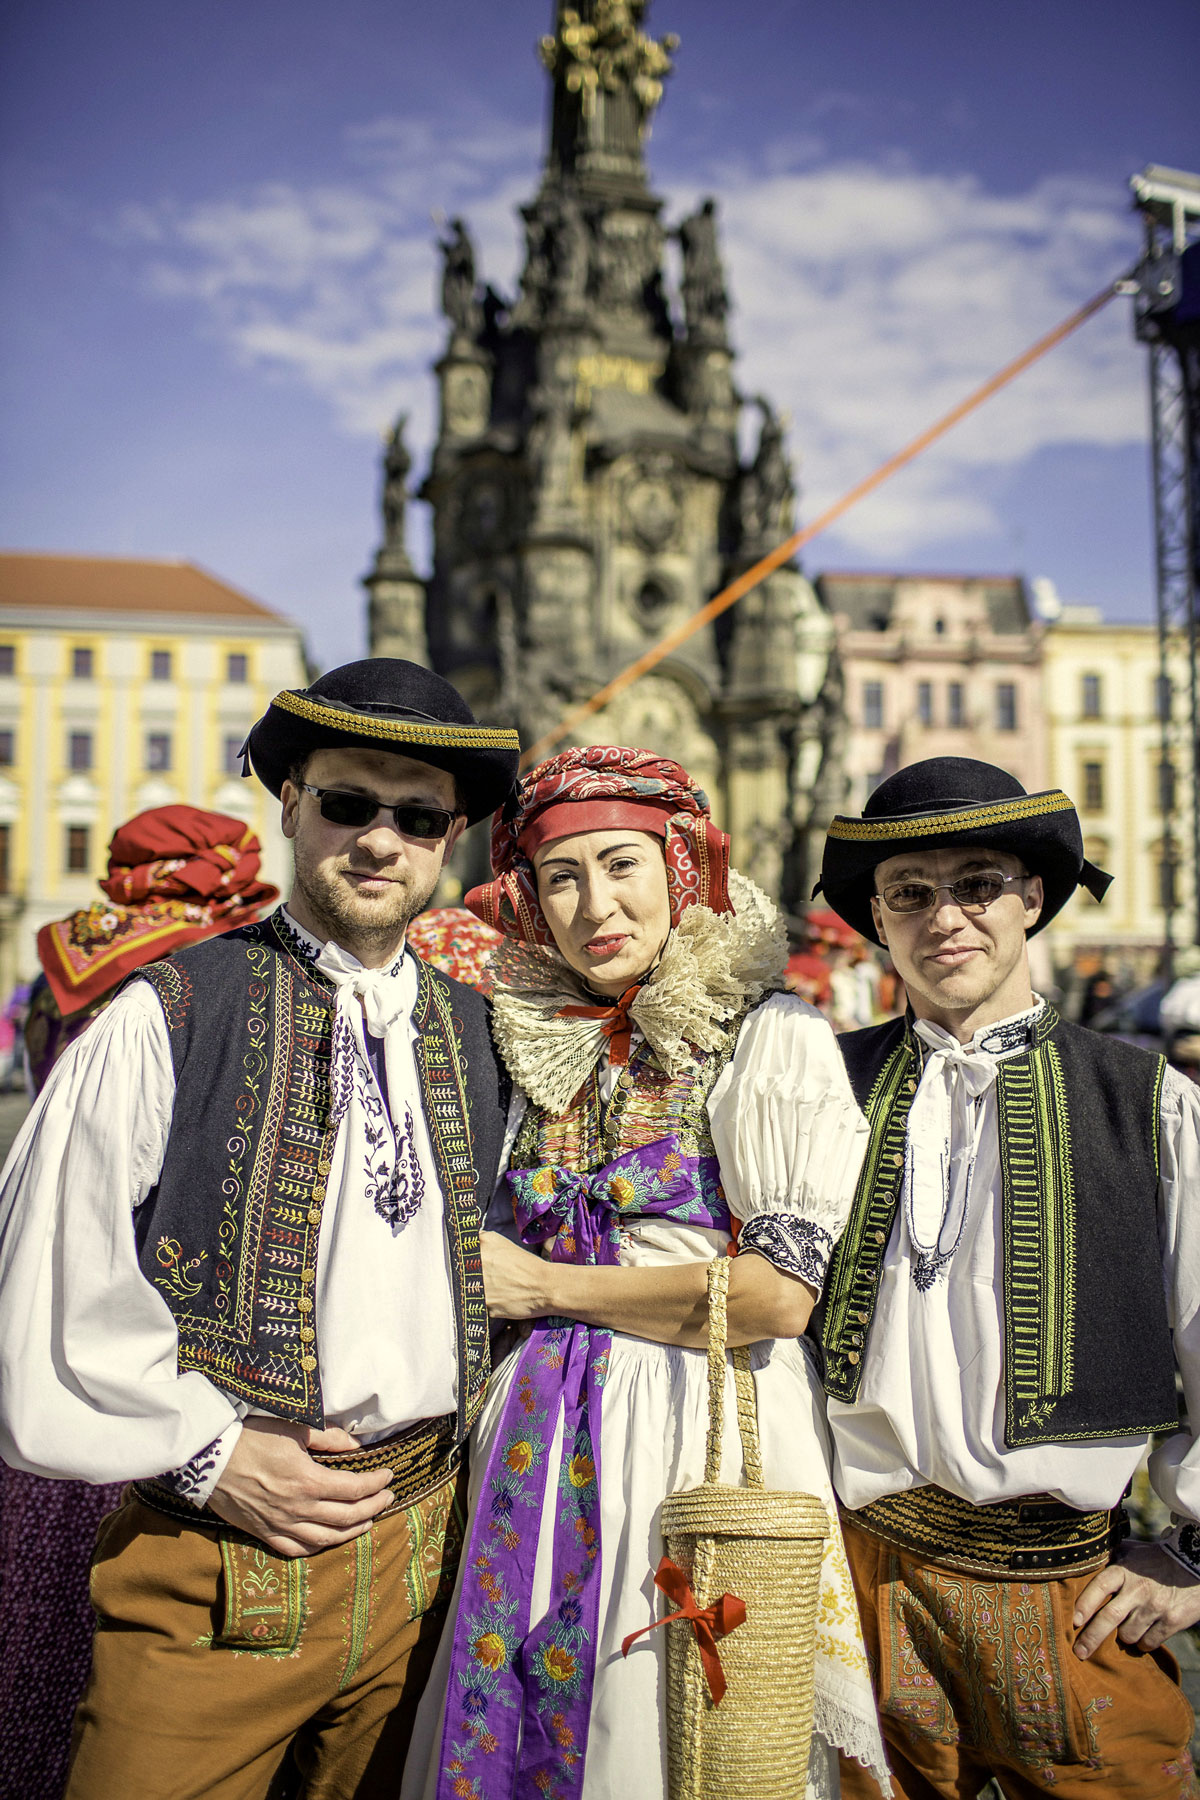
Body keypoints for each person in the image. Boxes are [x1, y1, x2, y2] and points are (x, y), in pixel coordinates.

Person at [0, 660, 520, 1800]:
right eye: (348, 803)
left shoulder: (485, 1035)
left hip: (428, 1564)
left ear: (455, 838)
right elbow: (46, 1271)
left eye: (419, 815)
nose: (381, 840)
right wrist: (210, 1455)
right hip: (224, 1569)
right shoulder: (170, 1012)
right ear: (289, 804)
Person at [401, 746, 890, 1800]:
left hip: (695, 1432)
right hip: (530, 1433)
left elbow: (775, 1299)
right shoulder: (531, 1044)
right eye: (561, 877)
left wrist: (547, 1290)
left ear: (677, 867)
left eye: (621, 864)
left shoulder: (771, 1035)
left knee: (673, 1740)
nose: (594, 904)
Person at [811, 756, 1200, 1799]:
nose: (947, 917)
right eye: (912, 894)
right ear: (880, 922)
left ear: (1031, 898)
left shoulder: (1147, 1099)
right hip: (859, 1579)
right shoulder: (817, 1088)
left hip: (1069, 1591)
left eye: (977, 883)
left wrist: (1192, 1552)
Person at [0, 805, 280, 1800]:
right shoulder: (208, 965)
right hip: (165, 1308)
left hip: (61, 1261)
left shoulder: (56, 964)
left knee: (40, 1577)